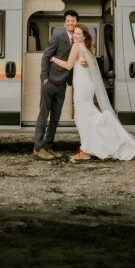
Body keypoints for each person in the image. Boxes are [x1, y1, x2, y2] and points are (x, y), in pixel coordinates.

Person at [48, 23, 135, 162]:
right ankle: (89, 146)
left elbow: (68, 65)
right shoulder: (87, 49)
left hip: (82, 86)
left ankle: (88, 147)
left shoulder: (77, 46)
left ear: (84, 37)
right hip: (87, 86)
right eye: (75, 33)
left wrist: (52, 58)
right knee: (86, 115)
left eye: (78, 34)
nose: (75, 35)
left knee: (83, 117)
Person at [33, 10, 86, 160]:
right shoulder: (58, 36)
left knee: (55, 118)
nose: (71, 23)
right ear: (65, 23)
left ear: (77, 23)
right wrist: (44, 78)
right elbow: (46, 56)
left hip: (62, 85)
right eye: (68, 21)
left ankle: (48, 147)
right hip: (49, 82)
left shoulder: (77, 40)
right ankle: (38, 147)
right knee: (43, 115)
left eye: (73, 21)